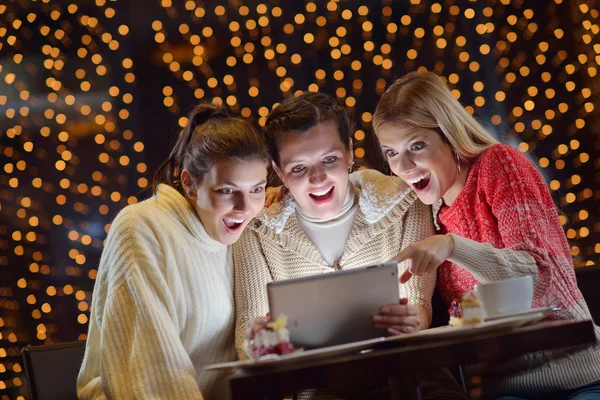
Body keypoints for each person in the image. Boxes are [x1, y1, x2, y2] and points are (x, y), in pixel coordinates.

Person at [373, 70, 600, 399]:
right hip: (504, 388)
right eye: (391, 153)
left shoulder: (499, 165)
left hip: (577, 375)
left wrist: (452, 246)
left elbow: (543, 277)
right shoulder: (428, 211)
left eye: (417, 145)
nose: (404, 166)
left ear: (449, 135)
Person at [233, 92, 466, 399]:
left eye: (330, 160)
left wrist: (414, 319)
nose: (317, 178)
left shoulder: (405, 202)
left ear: (350, 153)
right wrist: (260, 344)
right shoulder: (257, 230)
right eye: (298, 169)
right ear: (278, 171)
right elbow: (247, 330)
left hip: (411, 374)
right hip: (322, 387)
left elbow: (418, 303)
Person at [77, 104, 270, 399]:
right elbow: (154, 373)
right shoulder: (141, 229)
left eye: (257, 189)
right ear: (189, 183)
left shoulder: (242, 230)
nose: (245, 208)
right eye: (227, 191)